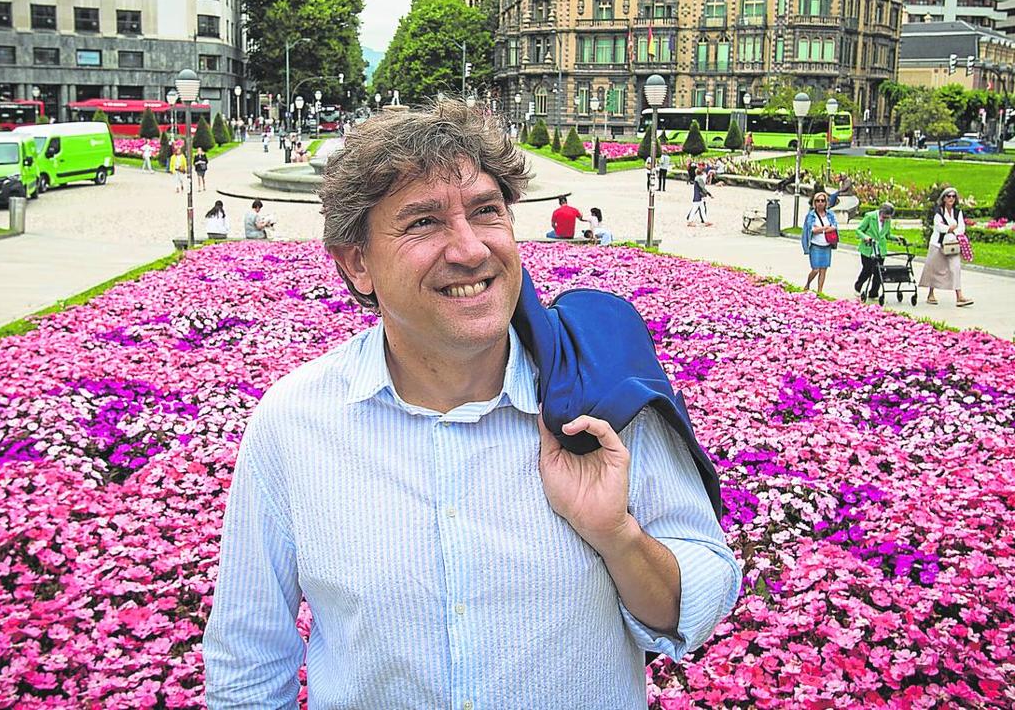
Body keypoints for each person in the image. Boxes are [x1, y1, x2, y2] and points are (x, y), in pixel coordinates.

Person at [203, 99, 740, 706]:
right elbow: (247, 663)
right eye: (424, 222)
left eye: (486, 211)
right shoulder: (295, 423)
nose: (469, 249)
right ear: (357, 264)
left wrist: (618, 537)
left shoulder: (596, 391)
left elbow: (696, 603)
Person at [918, 186, 973, 306]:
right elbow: (938, 226)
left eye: (953, 196)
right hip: (938, 244)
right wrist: (949, 228)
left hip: (952, 244)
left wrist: (952, 231)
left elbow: (961, 227)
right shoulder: (939, 212)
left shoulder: (958, 212)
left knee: (955, 268)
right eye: (949, 196)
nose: (951, 198)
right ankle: (931, 294)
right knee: (934, 268)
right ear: (944, 198)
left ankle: (959, 296)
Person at [854, 202, 898, 301]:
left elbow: (887, 235)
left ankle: (873, 293)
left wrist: (896, 238)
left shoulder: (887, 221)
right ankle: (858, 286)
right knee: (867, 270)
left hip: (880, 250)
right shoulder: (870, 216)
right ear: (880, 212)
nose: (885, 219)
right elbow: (858, 230)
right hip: (868, 248)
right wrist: (865, 237)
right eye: (884, 217)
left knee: (878, 272)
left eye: (888, 218)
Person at [801, 191, 838, 293]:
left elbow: (834, 227)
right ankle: (807, 284)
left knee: (823, 269)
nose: (820, 203)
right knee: (816, 269)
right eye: (818, 201)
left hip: (826, 245)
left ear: (826, 202)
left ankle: (820, 291)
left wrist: (821, 229)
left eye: (823, 200)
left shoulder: (830, 214)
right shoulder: (811, 215)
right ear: (814, 202)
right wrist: (826, 228)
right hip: (815, 245)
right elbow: (812, 230)